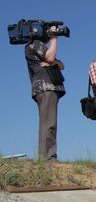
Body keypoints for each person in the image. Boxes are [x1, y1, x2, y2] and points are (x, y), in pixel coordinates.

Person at [24, 26, 65, 161]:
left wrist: (54, 61)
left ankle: (47, 156)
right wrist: (54, 39)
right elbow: (50, 58)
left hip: (50, 87)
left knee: (50, 122)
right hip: (45, 87)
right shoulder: (34, 44)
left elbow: (61, 65)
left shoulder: (38, 46)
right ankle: (48, 157)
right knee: (49, 123)